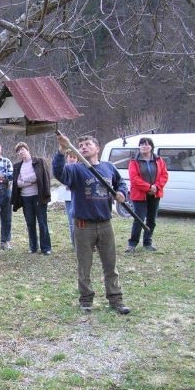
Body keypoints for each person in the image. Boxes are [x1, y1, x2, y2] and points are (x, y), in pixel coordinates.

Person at [53, 133, 131, 315]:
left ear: (97, 148)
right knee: (84, 266)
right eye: (80, 145)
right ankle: (86, 300)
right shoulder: (75, 170)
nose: (83, 147)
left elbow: (121, 183)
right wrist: (62, 150)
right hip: (83, 225)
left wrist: (121, 193)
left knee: (110, 265)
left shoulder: (108, 167)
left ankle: (116, 300)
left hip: (105, 223)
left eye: (87, 144)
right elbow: (59, 172)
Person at [126, 137, 169, 253]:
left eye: (147, 144)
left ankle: (147, 243)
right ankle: (132, 244)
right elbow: (134, 178)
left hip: (155, 194)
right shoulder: (134, 161)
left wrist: (156, 187)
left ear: (151, 147)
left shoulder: (159, 160)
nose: (144, 146)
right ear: (139, 146)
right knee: (138, 220)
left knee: (151, 220)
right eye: (142, 144)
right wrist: (149, 187)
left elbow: (164, 175)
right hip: (139, 195)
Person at [10, 142, 52, 255]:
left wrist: (24, 179)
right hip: (25, 198)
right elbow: (17, 183)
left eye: (22, 149)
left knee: (42, 222)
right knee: (30, 223)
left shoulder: (39, 161)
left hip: (39, 197)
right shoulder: (17, 166)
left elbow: (38, 177)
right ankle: (33, 247)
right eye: (18, 151)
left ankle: (46, 248)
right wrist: (30, 182)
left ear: (27, 150)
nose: (20, 152)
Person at [56, 150, 78, 249]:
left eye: (74, 157)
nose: (72, 159)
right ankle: (75, 244)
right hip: (68, 198)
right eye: (70, 157)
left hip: (78, 198)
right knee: (71, 222)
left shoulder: (80, 168)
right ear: (67, 158)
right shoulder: (63, 169)